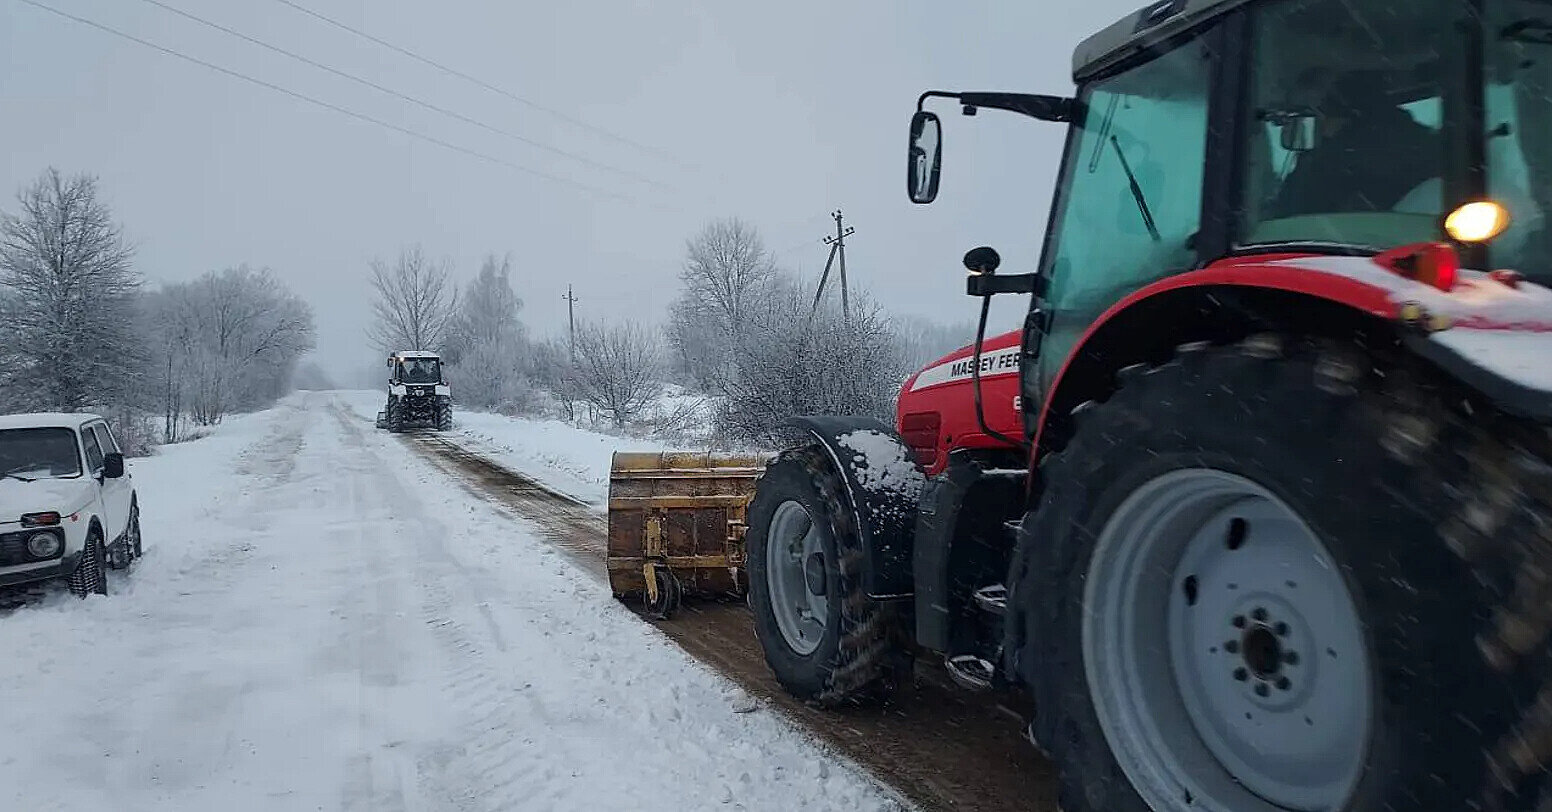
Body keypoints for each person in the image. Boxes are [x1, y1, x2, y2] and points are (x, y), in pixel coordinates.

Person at [1266, 71, 1440, 219]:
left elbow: (1294, 222)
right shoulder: (1426, 153)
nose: (1286, 128)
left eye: (1295, 116)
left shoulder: (1330, 167)